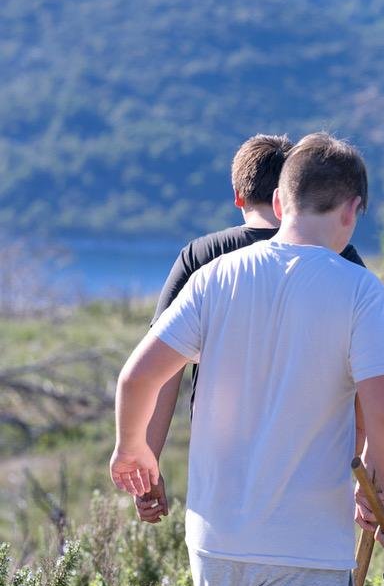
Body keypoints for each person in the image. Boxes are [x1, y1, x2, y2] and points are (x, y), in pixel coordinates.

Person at [108, 133, 384, 586]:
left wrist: (132, 448)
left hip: (217, 534)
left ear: (279, 200)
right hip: (305, 545)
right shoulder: (357, 290)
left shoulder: (216, 275)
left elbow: (137, 377)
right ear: (352, 209)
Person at [134, 134, 365, 524]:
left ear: (238, 197)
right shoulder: (342, 259)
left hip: (220, 483)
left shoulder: (203, 257)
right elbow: (367, 380)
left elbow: (160, 372)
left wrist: (147, 463)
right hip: (315, 481)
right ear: (292, 190)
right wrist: (365, 472)